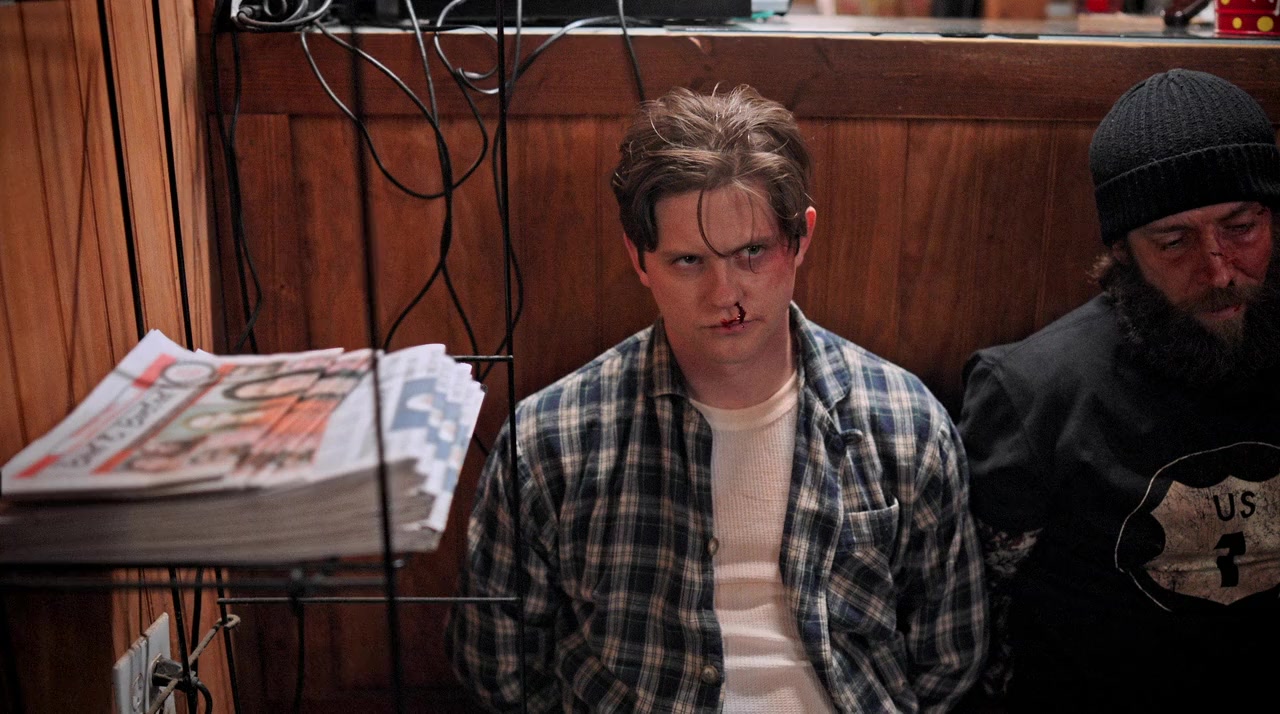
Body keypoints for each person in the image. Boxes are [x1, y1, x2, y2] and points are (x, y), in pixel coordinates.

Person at [447, 85, 986, 713]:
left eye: (752, 252)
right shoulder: (550, 440)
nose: (725, 293)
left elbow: (950, 655)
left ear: (800, 240)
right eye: (688, 261)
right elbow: (498, 667)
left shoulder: (907, 423)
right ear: (638, 258)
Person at [959, 69, 1280, 713]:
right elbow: (982, 626)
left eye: (1241, 227)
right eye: (1174, 241)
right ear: (1124, 250)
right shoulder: (1034, 393)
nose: (1219, 269)